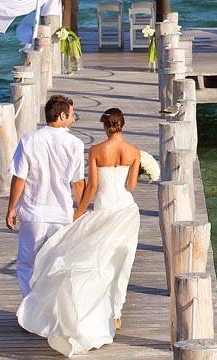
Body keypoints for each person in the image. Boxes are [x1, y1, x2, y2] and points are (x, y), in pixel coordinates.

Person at [17, 107, 141, 356]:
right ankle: (116, 313)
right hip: (127, 211)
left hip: (104, 210)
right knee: (122, 262)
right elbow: (132, 185)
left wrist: (79, 212)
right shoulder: (134, 152)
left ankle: (94, 312)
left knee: (98, 261)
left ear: (105, 127)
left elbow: (92, 186)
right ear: (123, 125)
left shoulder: (96, 151)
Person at [6, 94, 85, 298]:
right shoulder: (75, 143)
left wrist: (11, 208)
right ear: (60, 116)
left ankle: (31, 311)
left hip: (33, 213)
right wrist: (81, 210)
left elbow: (19, 178)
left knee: (27, 265)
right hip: (62, 214)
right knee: (58, 266)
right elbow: (78, 182)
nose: (73, 118)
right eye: (71, 114)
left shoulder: (29, 140)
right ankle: (52, 312)